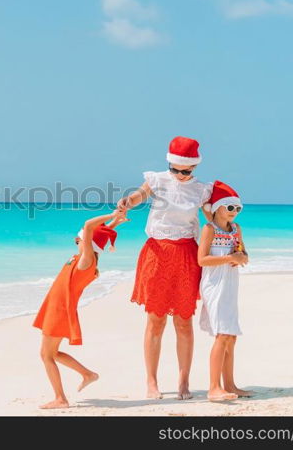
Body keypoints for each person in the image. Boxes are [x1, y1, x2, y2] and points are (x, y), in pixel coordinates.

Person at [117, 136, 214, 400]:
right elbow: (140, 195)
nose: (180, 175)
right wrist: (129, 201)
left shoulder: (202, 190)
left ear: (194, 167)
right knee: (156, 320)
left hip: (186, 254)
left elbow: (213, 220)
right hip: (157, 253)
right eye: (175, 169)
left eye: (186, 171)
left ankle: (184, 382)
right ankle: (151, 381)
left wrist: (232, 242)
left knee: (183, 321)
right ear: (169, 164)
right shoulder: (158, 180)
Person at [33, 209, 128, 409]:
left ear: (86, 242)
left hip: (59, 310)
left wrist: (112, 214)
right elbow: (96, 235)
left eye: (79, 238)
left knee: (46, 355)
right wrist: (114, 224)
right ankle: (87, 374)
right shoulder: (84, 258)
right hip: (56, 308)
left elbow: (88, 226)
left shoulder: (86, 261)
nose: (76, 239)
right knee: (52, 353)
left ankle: (61, 399)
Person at [198, 180, 254, 401]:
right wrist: (230, 257)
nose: (234, 212)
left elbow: (244, 254)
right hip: (214, 284)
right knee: (222, 334)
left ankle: (230, 385)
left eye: (237, 208)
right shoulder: (209, 229)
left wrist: (240, 257)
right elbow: (202, 260)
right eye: (230, 207)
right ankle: (214, 388)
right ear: (217, 207)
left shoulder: (236, 229)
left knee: (230, 336)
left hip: (230, 283)